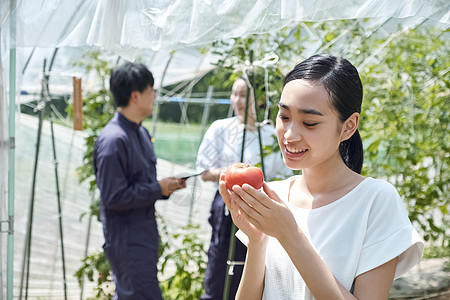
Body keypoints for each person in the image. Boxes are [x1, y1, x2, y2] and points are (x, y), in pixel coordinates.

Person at [220, 54, 424, 299]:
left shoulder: (375, 201)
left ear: (348, 126)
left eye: (309, 122)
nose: (289, 135)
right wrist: (257, 240)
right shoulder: (275, 196)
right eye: (284, 117)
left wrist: (290, 234)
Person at [93, 62, 186, 300]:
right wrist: (157, 188)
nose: (155, 95)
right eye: (151, 90)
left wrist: (165, 189)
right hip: (127, 240)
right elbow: (114, 197)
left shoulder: (141, 133)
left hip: (143, 236)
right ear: (135, 96)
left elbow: (141, 185)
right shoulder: (114, 141)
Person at [196, 77, 292, 299]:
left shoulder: (269, 135)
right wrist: (232, 175)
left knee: (254, 264)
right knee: (220, 266)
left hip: (260, 208)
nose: (236, 100)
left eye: (242, 94)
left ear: (260, 99)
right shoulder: (221, 129)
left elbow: (281, 177)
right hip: (226, 205)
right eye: (234, 94)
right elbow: (203, 172)